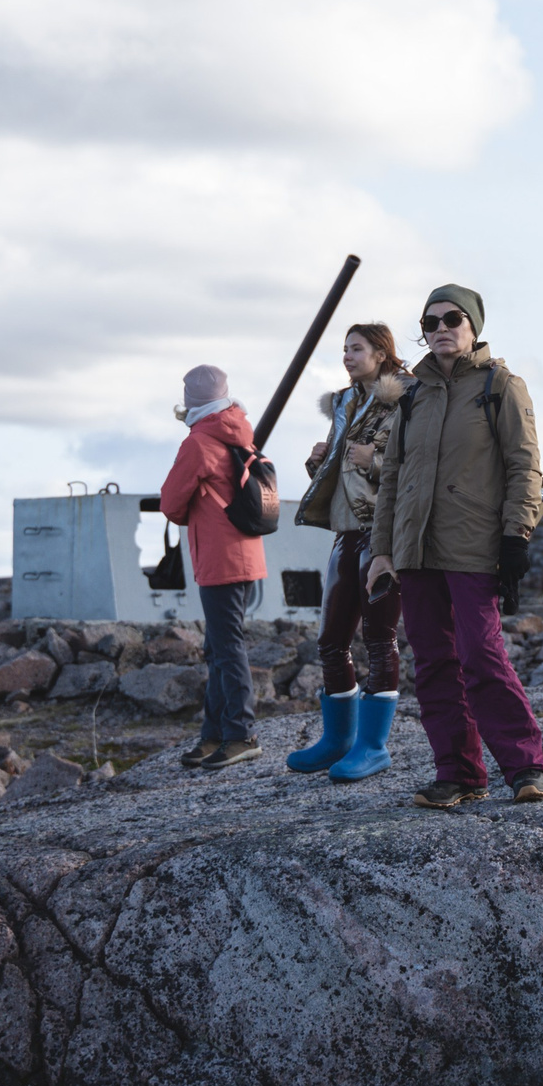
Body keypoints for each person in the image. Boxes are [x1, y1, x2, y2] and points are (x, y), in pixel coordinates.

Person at [367, 284, 543, 809]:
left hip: (475, 544)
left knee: (482, 655)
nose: (441, 328)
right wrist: (383, 551)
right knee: (434, 665)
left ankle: (525, 768)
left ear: (474, 327)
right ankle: (459, 774)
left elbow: (524, 467)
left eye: (453, 319)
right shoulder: (412, 396)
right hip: (415, 551)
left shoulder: (502, 386)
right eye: (430, 322)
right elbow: (394, 478)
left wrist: (517, 535)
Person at [286, 324, 410, 780]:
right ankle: (338, 740)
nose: (346, 356)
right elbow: (346, 468)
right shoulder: (345, 401)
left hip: (384, 531)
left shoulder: (407, 397)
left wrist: (371, 461)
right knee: (331, 641)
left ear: (381, 354)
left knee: (380, 639)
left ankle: (373, 747)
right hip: (345, 531)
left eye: (355, 348)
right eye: (344, 349)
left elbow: (411, 466)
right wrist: (321, 464)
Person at [158, 364, 269, 767]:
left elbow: (170, 502)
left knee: (227, 648)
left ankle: (241, 734)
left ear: (190, 401)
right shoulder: (238, 429)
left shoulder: (199, 441)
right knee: (219, 647)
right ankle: (214, 734)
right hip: (246, 551)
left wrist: (193, 513)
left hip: (220, 557)